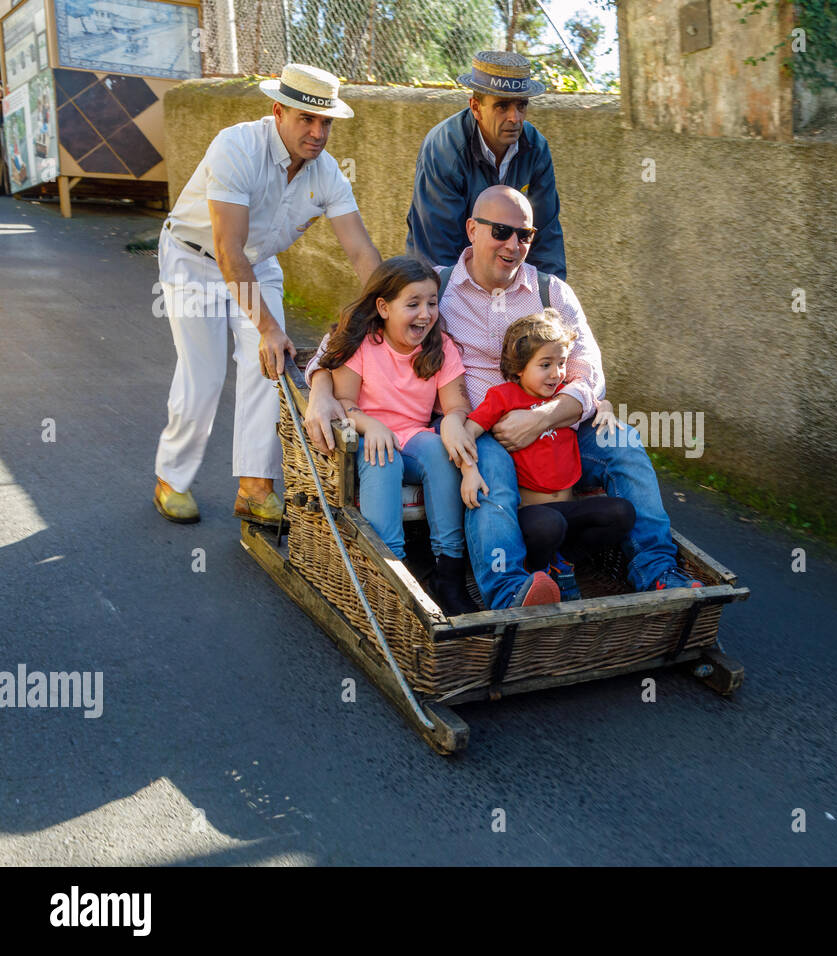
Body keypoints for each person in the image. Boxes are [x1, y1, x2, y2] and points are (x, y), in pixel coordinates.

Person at [305, 184, 703, 610]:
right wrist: (322, 392)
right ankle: (508, 590)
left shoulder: (552, 293)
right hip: (478, 428)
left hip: (554, 427)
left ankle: (659, 574)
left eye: (525, 234)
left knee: (621, 441)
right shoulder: (434, 289)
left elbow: (589, 375)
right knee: (490, 461)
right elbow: (338, 347)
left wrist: (545, 416)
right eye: (500, 231)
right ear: (472, 229)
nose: (513, 244)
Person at [152, 63, 381, 526]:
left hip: (258, 264)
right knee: (205, 373)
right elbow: (226, 248)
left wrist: (390, 308)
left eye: (326, 123)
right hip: (195, 260)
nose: (317, 133)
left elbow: (360, 250)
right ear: (279, 111)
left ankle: (255, 487)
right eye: (306, 119)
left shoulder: (328, 172)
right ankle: (172, 479)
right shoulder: (236, 146)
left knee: (270, 369)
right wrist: (269, 328)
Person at [315, 257, 478, 616]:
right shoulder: (363, 345)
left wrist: (453, 419)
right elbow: (344, 401)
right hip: (371, 439)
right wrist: (370, 425)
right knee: (382, 458)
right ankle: (390, 573)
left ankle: (448, 574)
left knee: (437, 450)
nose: (425, 314)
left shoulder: (441, 347)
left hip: (415, 439)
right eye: (413, 304)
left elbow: (455, 405)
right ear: (384, 307)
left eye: (432, 303)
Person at [458, 310, 636, 602]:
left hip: (567, 511)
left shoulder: (563, 399)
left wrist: (605, 407)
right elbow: (468, 431)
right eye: (545, 365)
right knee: (550, 525)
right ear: (518, 369)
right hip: (530, 519)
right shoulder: (502, 397)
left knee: (622, 513)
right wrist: (469, 470)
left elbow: (596, 401)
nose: (557, 373)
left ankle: (562, 561)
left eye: (562, 363)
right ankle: (536, 573)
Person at [405, 50, 566, 279]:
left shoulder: (536, 148)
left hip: (507, 278)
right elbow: (437, 253)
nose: (515, 117)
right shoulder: (443, 149)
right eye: (502, 106)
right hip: (445, 281)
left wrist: (551, 304)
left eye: (521, 105)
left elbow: (546, 238)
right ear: (476, 108)